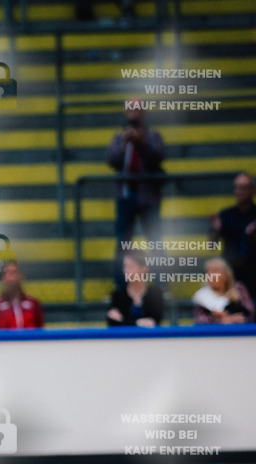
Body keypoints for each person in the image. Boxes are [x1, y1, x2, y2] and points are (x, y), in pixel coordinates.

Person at [108, 99, 165, 284]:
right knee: (123, 244)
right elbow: (113, 162)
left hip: (148, 198)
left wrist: (142, 143)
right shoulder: (118, 138)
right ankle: (121, 287)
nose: (133, 113)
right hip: (125, 197)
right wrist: (125, 143)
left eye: (137, 109)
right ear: (125, 113)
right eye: (130, 109)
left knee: (155, 242)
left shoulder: (154, 137)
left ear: (143, 112)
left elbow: (157, 158)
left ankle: (160, 286)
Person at [209, 173, 256, 299]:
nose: (240, 192)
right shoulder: (225, 215)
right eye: (237, 188)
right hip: (231, 274)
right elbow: (211, 246)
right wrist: (216, 230)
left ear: (252, 190)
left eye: (244, 188)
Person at [106, 249, 163, 327]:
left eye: (131, 267)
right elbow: (113, 323)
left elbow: (155, 321)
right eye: (125, 266)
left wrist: (124, 321)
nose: (126, 271)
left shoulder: (155, 294)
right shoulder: (117, 295)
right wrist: (138, 323)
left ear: (144, 268)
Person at [0, 261, 44, 329]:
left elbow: (39, 329)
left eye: (14, 273)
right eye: (7, 273)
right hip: (4, 339)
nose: (11, 278)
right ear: (3, 278)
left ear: (21, 277)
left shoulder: (33, 303)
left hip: (29, 339)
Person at [192, 257, 254, 325]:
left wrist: (238, 319)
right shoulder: (202, 295)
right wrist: (221, 321)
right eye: (208, 271)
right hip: (215, 334)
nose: (210, 274)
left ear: (225, 274)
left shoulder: (239, 289)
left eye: (214, 271)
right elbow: (200, 320)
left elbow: (251, 315)